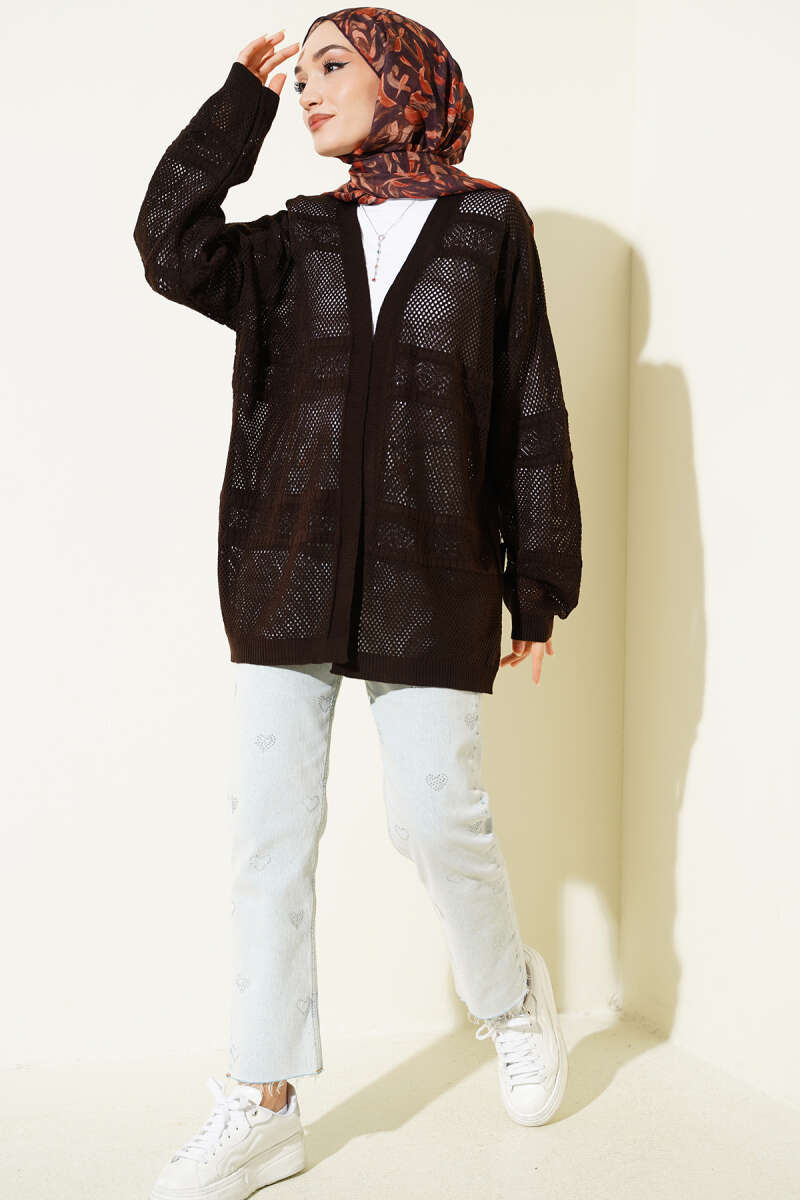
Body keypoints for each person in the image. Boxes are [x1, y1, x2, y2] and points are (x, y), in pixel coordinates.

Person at [135, 9, 582, 1197]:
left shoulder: (488, 228)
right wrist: (236, 104)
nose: (309, 90)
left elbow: (526, 404)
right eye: (301, 77)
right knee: (269, 835)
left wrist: (537, 583)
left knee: (436, 818)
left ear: (402, 77)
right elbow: (170, 245)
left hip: (431, 577)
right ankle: (263, 1100)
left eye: (333, 66)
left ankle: (509, 999)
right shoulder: (294, 239)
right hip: (283, 570)